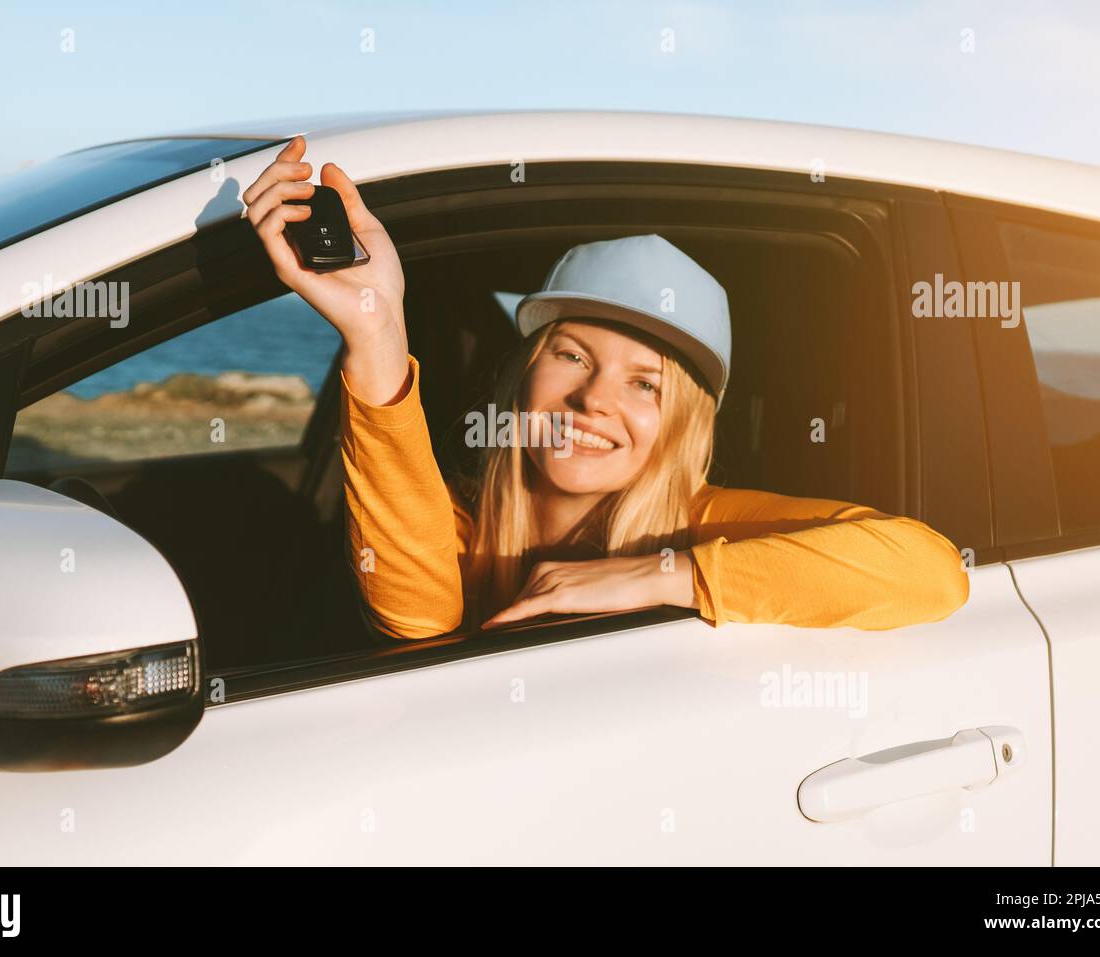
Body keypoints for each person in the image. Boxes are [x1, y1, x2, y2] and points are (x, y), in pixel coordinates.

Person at [245, 136, 969, 639]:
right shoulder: (460, 526)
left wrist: (664, 574)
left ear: (680, 425)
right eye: (572, 355)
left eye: (645, 383)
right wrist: (375, 332)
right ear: (522, 376)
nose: (595, 400)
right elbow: (418, 621)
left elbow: (933, 571)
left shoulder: (705, 522)